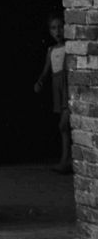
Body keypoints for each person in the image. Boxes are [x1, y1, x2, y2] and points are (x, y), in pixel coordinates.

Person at [33, 13, 73, 173]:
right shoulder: (51, 50)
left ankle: (67, 160)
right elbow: (46, 71)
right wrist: (40, 82)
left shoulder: (69, 47)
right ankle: (66, 160)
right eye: (54, 28)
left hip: (67, 86)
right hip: (58, 88)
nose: (58, 31)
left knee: (64, 125)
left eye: (60, 27)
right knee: (63, 126)